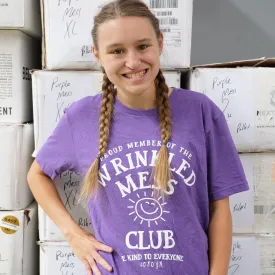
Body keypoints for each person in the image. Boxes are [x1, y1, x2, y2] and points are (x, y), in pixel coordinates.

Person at [27, 0, 249, 274]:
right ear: (98, 55)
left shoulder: (200, 111)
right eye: (117, 51)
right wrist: (73, 234)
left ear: (160, 43)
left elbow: (220, 209)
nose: (133, 61)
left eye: (143, 46)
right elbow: (37, 175)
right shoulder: (81, 117)